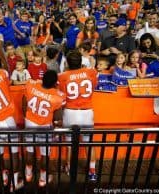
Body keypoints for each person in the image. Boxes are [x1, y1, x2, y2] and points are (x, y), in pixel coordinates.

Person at [58, 51, 98, 180]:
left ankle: (69, 167)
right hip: (86, 111)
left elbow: (60, 94)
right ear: (81, 62)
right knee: (89, 143)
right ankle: (92, 172)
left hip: (70, 112)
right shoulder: (90, 72)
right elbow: (94, 86)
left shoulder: (62, 76)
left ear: (67, 63)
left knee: (70, 143)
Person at [23, 70, 65, 187]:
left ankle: (28, 174)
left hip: (30, 122)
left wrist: (26, 117)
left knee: (30, 151)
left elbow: (24, 102)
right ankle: (42, 179)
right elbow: (57, 118)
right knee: (45, 154)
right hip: (45, 126)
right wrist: (57, 130)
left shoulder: (31, 86)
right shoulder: (57, 96)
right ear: (55, 83)